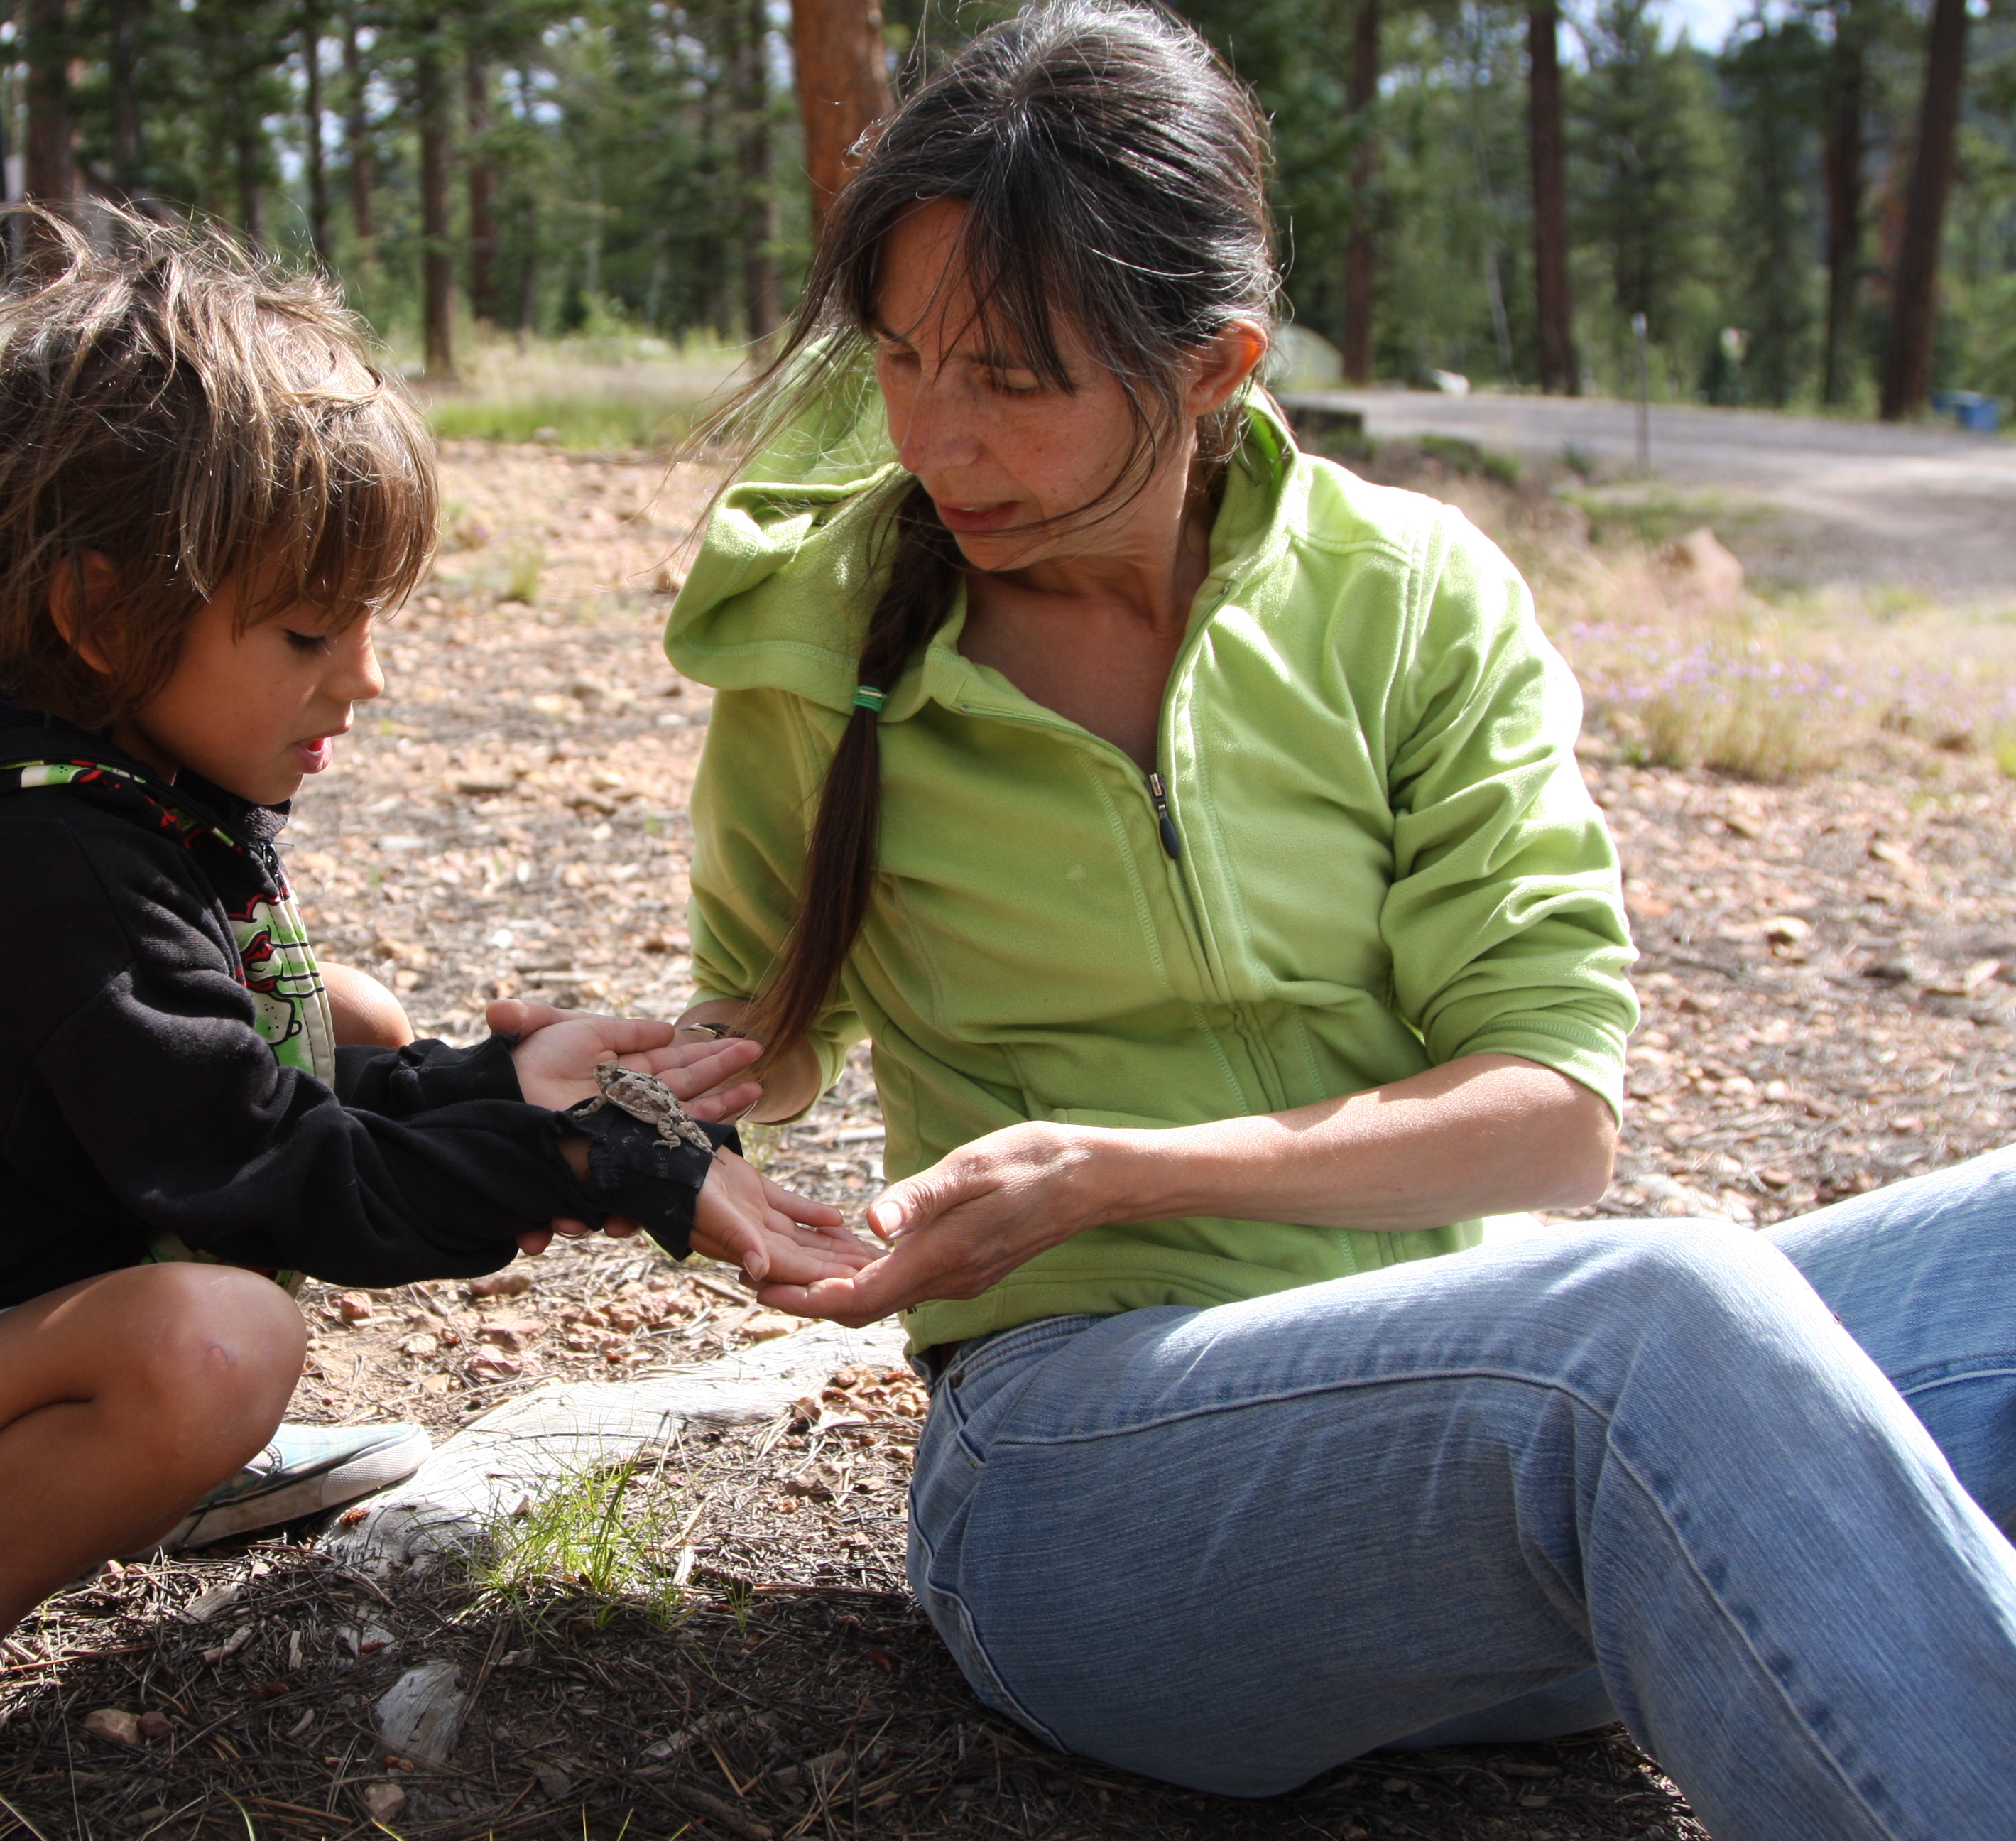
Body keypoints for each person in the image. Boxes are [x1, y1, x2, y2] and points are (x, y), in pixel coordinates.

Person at [672, 6, 2016, 1835]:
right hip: (1085, 1473)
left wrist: (1127, 1165)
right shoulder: (815, 626)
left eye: (1011, 377)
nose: (938, 436)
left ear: (1214, 361)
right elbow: (755, 1035)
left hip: (1475, 1397)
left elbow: (1551, 1116)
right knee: (1655, 1324)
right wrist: (621, 1099)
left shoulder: (1408, 597)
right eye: (902, 359)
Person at [0, 210, 868, 1841]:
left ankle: (139, 1467)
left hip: (8, 1319)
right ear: (106, 617)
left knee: (345, 1015)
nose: (363, 684)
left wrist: (504, 1083)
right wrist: (597, 1161)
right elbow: (275, 1179)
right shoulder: (28, 869)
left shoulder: (103, 781)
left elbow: (267, 1104)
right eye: (310, 634)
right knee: (223, 1344)